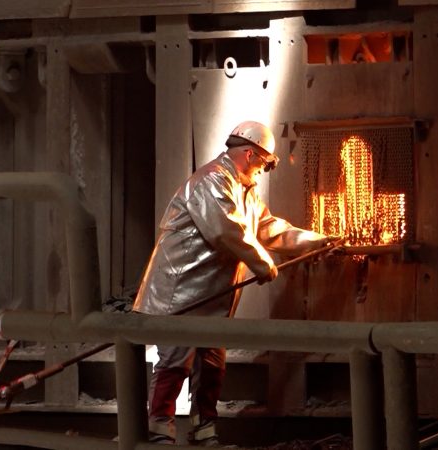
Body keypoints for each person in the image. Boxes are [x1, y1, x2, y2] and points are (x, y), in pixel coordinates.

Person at [133, 120, 335, 446]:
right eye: (263, 163)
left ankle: (204, 430)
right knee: (175, 364)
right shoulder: (212, 181)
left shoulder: (244, 191)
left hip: (210, 298)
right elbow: (226, 231)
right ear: (248, 153)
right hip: (181, 295)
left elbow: (269, 229)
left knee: (212, 366)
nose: (263, 170)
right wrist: (262, 263)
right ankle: (160, 432)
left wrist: (316, 242)